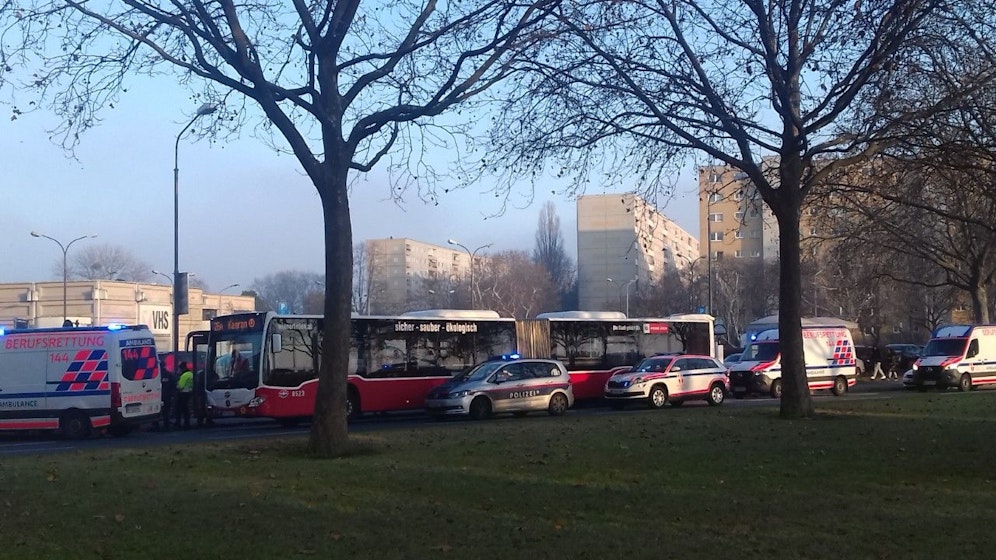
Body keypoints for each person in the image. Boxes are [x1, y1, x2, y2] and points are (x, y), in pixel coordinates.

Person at [174, 361, 194, 429]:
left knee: (180, 409)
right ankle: (187, 423)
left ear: (182, 368)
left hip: (183, 394)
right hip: (189, 393)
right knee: (186, 410)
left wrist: (177, 384)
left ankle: (178, 423)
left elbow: (180, 386)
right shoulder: (191, 374)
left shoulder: (184, 375)